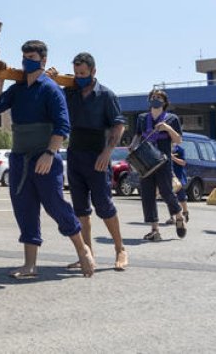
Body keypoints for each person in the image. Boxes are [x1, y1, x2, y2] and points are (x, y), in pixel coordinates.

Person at [0, 40, 94, 279]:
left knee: (55, 205)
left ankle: (82, 249)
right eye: (25, 56)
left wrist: (49, 153)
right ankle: (30, 265)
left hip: (45, 158)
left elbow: (63, 126)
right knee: (24, 209)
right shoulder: (17, 90)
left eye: (33, 57)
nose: (27, 61)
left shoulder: (50, 89)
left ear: (43, 60)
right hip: (19, 159)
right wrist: (0, 77)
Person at [63, 52, 128, 271]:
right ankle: (87, 254)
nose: (79, 77)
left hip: (98, 156)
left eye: (83, 73)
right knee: (80, 209)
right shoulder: (70, 93)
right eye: (76, 73)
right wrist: (51, 76)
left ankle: (120, 249)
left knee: (104, 205)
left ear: (93, 71)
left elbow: (119, 126)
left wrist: (107, 153)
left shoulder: (106, 95)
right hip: (74, 155)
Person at [131, 89, 187, 242]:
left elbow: (178, 141)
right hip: (145, 160)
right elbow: (137, 135)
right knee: (147, 194)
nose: (155, 99)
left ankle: (179, 215)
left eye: (159, 97)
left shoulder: (172, 118)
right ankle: (154, 230)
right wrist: (133, 146)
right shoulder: (142, 118)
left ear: (164, 101)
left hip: (163, 161)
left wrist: (168, 128)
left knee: (166, 191)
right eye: (153, 97)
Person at [171, 144, 190, 223]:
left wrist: (173, 158)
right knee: (170, 196)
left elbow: (183, 163)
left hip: (179, 177)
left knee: (181, 196)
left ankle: (185, 212)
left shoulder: (180, 149)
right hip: (169, 175)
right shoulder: (164, 147)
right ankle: (172, 217)